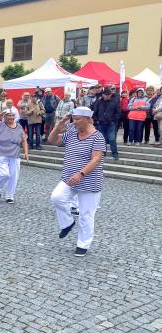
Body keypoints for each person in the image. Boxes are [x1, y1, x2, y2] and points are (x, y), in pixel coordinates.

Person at [48, 107, 106, 257]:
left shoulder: (97, 137)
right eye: (74, 118)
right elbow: (52, 140)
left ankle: (83, 244)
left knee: (86, 215)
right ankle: (67, 223)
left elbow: (96, 159)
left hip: (89, 181)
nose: (74, 122)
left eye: (78, 119)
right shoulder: (72, 133)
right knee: (57, 197)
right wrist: (59, 124)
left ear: (88, 119)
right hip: (68, 178)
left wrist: (81, 174)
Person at [0, 109, 29, 204]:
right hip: (1, 153)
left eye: (12, 116)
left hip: (15, 154)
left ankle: (10, 196)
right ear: (4, 116)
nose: (11, 117)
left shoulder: (19, 127)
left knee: (14, 176)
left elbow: (24, 140)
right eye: (8, 115)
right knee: (4, 174)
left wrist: (26, 153)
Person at [93, 87, 121, 160]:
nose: (108, 96)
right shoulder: (98, 102)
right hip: (101, 123)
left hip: (111, 124)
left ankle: (115, 154)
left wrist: (112, 120)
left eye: (109, 94)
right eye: (106, 94)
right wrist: (97, 120)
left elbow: (118, 113)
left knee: (112, 139)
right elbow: (94, 112)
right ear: (103, 95)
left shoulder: (115, 102)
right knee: (102, 139)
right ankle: (103, 153)